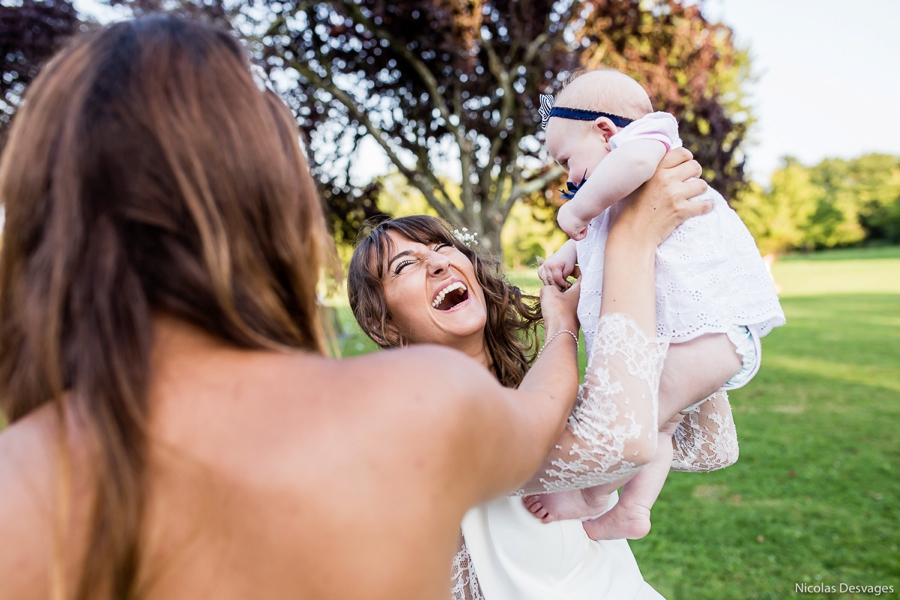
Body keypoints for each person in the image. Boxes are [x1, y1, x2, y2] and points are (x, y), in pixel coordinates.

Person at [0, 17, 593, 600]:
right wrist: (568, 320)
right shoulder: (417, 402)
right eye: (404, 264)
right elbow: (546, 417)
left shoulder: (16, 498)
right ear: (268, 194)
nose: (435, 262)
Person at [348, 150, 739, 599]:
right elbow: (619, 443)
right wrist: (627, 245)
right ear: (384, 323)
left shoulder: (542, 381)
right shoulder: (419, 425)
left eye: (441, 248)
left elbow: (712, 447)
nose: (438, 263)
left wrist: (662, 295)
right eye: (404, 266)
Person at [525, 69, 785, 541]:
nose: (570, 178)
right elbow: (601, 231)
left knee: (632, 416)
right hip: (704, 340)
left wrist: (576, 210)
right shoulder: (617, 187)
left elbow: (633, 169)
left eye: (567, 160)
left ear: (606, 130)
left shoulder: (647, 142)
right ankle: (634, 507)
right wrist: (570, 250)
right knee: (653, 421)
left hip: (705, 332)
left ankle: (588, 494)